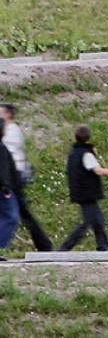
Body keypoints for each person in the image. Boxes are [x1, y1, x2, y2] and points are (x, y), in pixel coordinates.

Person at [58, 125, 108, 251]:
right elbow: (98, 171)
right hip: (87, 193)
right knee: (87, 223)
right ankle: (65, 247)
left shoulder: (73, 154)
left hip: (80, 192)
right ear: (89, 137)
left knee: (98, 221)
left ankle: (103, 247)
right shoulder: (86, 154)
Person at [1, 104, 52, 251]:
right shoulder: (9, 129)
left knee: (20, 213)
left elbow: (7, 151)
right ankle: (44, 245)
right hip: (9, 176)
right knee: (22, 213)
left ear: (8, 114)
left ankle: (44, 245)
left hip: (12, 177)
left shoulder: (11, 130)